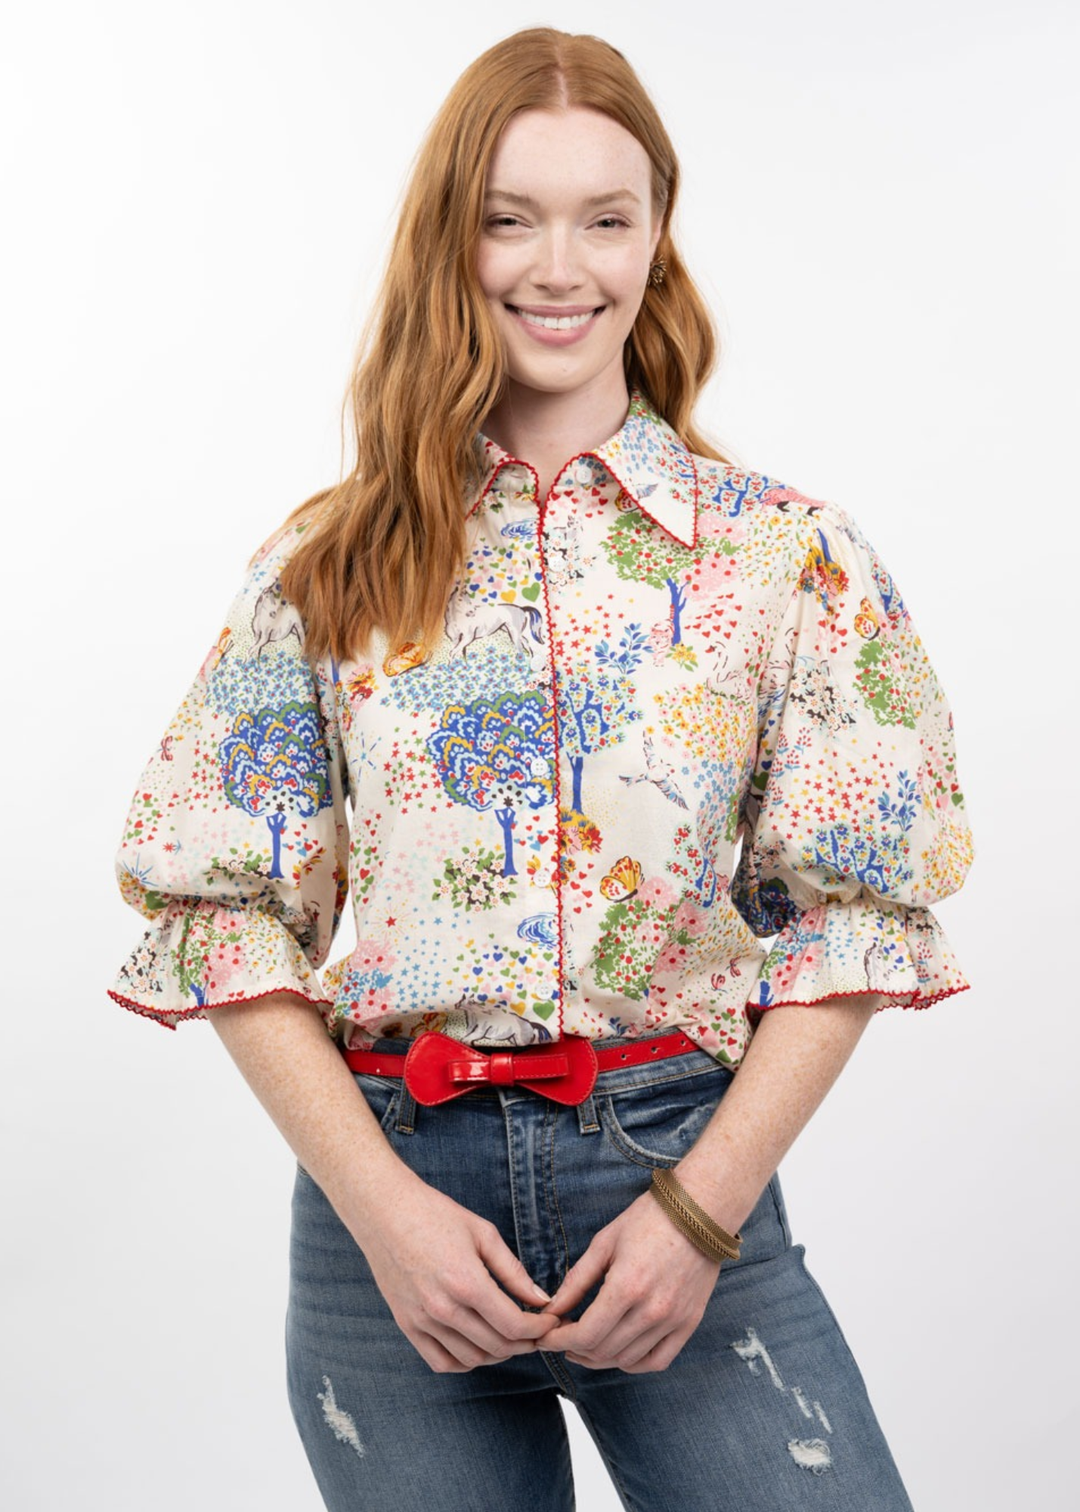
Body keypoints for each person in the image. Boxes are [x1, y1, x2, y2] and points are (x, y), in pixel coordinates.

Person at [108, 25, 974, 1511]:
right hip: (390, 1216)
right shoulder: (327, 565)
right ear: (452, 237)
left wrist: (702, 1215)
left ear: (656, 239)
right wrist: (383, 1213)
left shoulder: (789, 560)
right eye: (509, 217)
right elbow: (223, 906)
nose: (557, 266)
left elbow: (855, 915)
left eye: (605, 217)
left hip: (675, 1179)